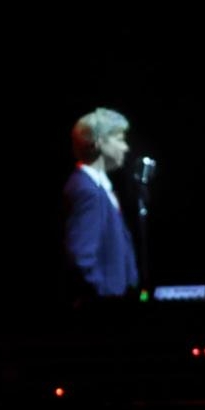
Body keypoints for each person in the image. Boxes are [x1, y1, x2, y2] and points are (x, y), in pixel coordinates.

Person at [62, 108, 139, 300]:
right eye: (120, 139)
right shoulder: (87, 191)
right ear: (98, 143)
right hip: (104, 309)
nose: (126, 147)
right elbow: (81, 257)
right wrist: (103, 299)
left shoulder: (99, 188)